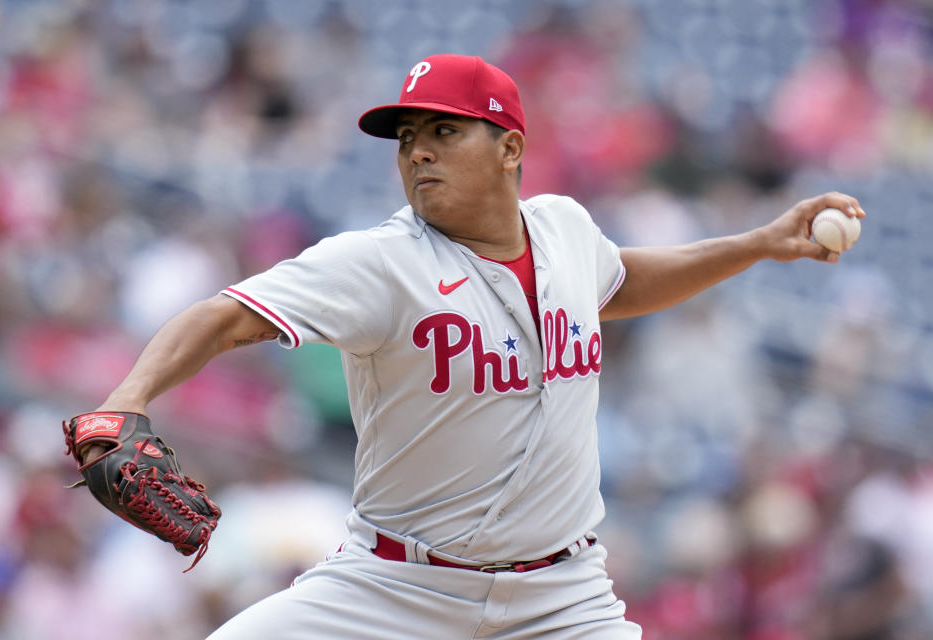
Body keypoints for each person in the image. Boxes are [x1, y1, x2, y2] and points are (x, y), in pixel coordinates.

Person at [75, 54, 865, 639]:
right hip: (391, 591)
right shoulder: (380, 262)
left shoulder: (565, 229)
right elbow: (223, 315)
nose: (416, 151)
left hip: (563, 601)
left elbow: (623, 283)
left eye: (443, 132)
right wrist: (126, 401)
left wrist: (760, 243)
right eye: (407, 137)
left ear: (510, 149)